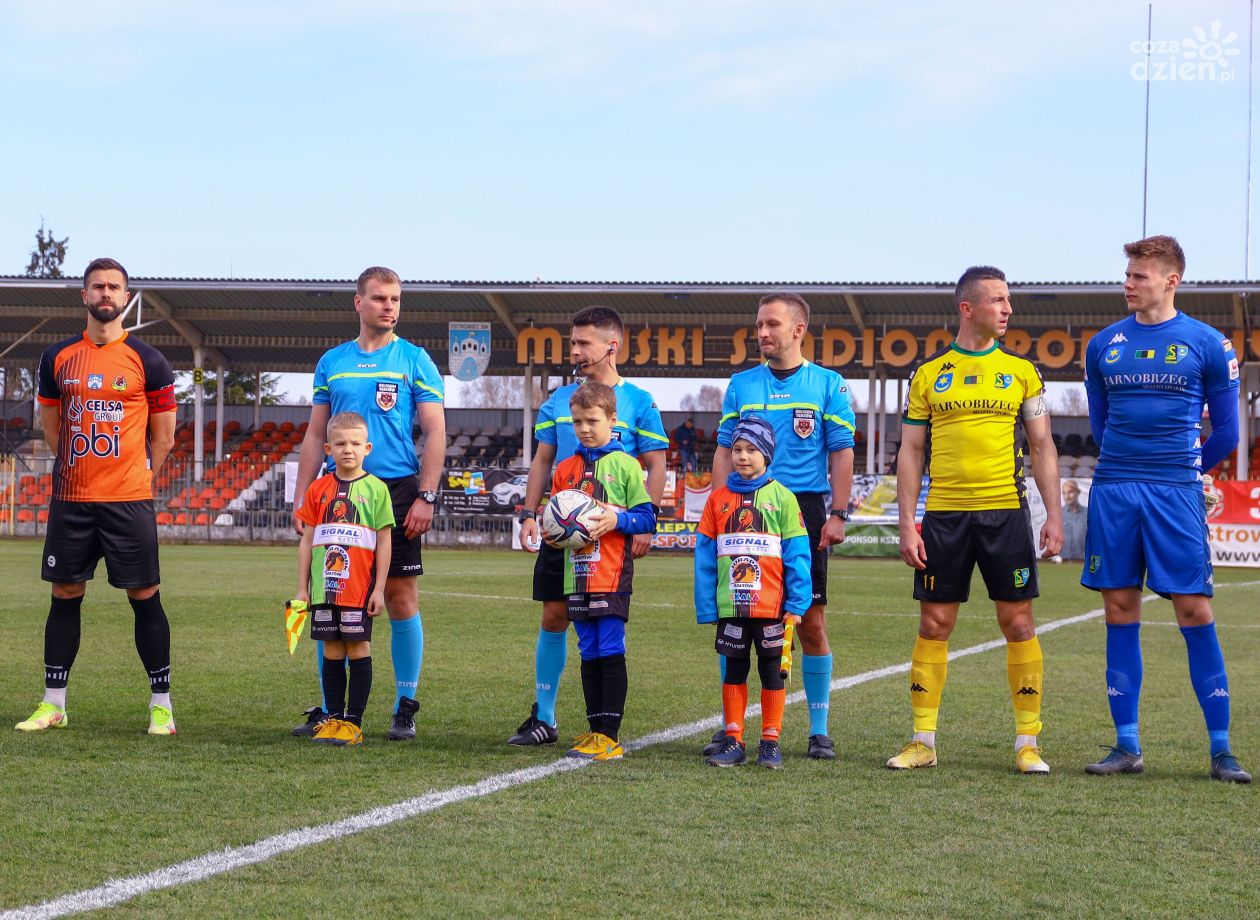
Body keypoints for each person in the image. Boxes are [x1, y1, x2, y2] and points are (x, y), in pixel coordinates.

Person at [1081, 235, 1250, 783]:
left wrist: (1185, 468)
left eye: (1139, 276)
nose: (1128, 284)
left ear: (1170, 280)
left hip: (1175, 492)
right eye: (1127, 274)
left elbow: (1227, 432)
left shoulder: (1208, 344)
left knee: (1194, 610)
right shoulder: (1103, 345)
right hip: (1115, 489)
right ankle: (1126, 746)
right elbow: (1101, 425)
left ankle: (1221, 751)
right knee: (1119, 609)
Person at [888, 265, 1063, 775]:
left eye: (1008, 300)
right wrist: (907, 522)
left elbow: (1042, 446)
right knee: (934, 623)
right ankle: (923, 741)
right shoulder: (928, 375)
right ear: (968, 308)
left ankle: (1028, 743)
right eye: (998, 300)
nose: (1008, 308)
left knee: (1019, 622)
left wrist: (1053, 514)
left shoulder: (1022, 372)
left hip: (1005, 512)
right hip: (944, 516)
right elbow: (910, 450)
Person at [16, 258, 179, 735]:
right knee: (64, 594)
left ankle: (162, 706)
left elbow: (164, 437)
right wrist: (76, 467)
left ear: (126, 297)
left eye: (113, 287)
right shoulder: (57, 357)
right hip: (73, 499)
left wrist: (139, 479)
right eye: (97, 286)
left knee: (144, 596)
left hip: (128, 500)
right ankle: (54, 704)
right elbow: (52, 428)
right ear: (84, 295)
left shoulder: (149, 360)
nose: (106, 293)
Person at [290, 266, 445, 741]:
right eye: (380, 298)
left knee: (399, 596)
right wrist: (301, 494)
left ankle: (404, 706)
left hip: (396, 489)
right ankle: (330, 709)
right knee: (331, 596)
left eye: (395, 299)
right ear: (358, 303)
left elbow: (435, 431)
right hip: (337, 493)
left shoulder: (415, 360)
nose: (389, 306)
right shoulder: (332, 362)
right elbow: (315, 434)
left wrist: (426, 495)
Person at [509, 306, 667, 745]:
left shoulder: (639, 401)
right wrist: (529, 513)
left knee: (602, 627)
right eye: (572, 342)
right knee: (554, 613)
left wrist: (644, 524)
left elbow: (655, 464)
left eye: (583, 343)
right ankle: (544, 717)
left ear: (610, 346)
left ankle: (603, 729)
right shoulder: (559, 400)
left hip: (608, 534)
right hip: (561, 527)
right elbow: (543, 460)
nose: (574, 350)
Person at [710, 292, 856, 761]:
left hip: (802, 510)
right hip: (744, 508)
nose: (762, 332)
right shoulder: (741, 384)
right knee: (735, 613)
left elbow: (842, 451)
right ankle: (731, 730)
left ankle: (818, 730)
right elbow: (723, 448)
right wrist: (718, 506)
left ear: (798, 329)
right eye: (759, 324)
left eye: (771, 324)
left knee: (809, 619)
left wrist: (838, 513)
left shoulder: (829, 384)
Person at [546, 383, 657, 760]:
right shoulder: (565, 469)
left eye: (592, 421)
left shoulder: (627, 466)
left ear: (612, 420)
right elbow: (556, 518)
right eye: (577, 422)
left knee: (609, 647)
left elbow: (646, 518)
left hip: (611, 574)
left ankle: (609, 735)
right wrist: (553, 533)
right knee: (588, 650)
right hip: (575, 575)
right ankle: (595, 731)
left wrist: (616, 520)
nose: (584, 428)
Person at [694, 416, 811, 769]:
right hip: (732, 607)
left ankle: (770, 743)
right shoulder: (717, 500)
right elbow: (705, 557)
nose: (743, 456)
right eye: (737, 449)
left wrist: (797, 603)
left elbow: (798, 554)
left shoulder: (783, 498)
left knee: (772, 673)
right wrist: (707, 605)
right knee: (734, 669)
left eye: (752, 450)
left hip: (772, 607)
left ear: (767, 454)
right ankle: (734, 740)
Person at [295, 412, 393, 746]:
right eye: (339, 443)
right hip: (324, 590)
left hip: (358, 590)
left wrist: (379, 589)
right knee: (332, 650)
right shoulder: (318, 489)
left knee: (358, 648)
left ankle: (354, 723)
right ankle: (334, 719)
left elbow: (384, 542)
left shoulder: (377, 490)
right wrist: (302, 588)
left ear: (367, 448)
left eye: (354, 443)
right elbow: (307, 541)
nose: (347, 449)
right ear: (328, 449)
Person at [1060, 479, 1087, 561]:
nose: (1067, 496)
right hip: (1062, 562)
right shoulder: (1058, 514)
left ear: (1078, 492)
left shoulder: (1089, 513)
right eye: (1064, 493)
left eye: (1070, 492)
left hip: (1083, 561)